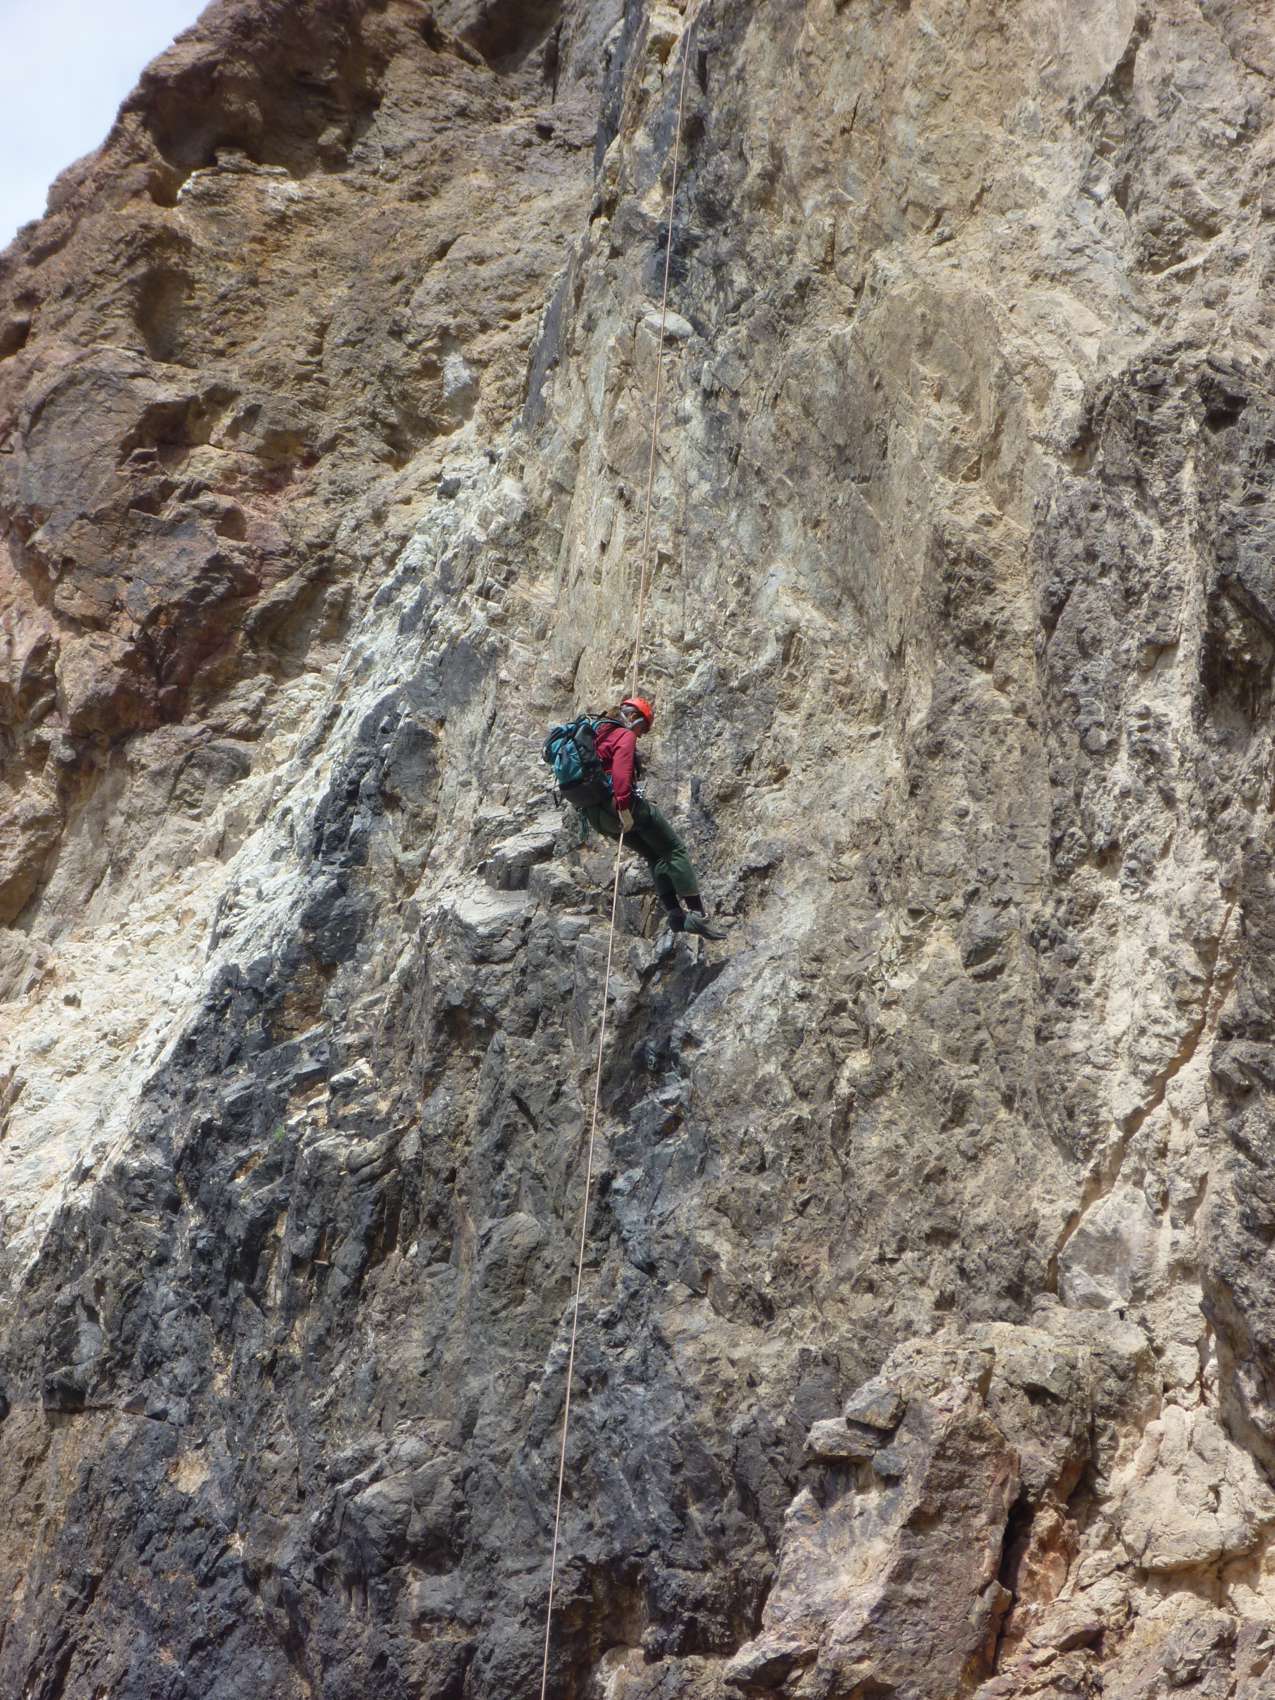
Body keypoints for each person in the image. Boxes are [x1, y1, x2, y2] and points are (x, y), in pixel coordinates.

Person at [579, 695, 727, 939]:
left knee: (654, 855)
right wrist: (624, 808)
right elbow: (621, 775)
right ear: (634, 717)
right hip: (619, 807)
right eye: (643, 729)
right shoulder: (624, 735)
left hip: (597, 817)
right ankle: (697, 914)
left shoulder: (595, 735)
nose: (641, 735)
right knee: (674, 849)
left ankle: (675, 914)